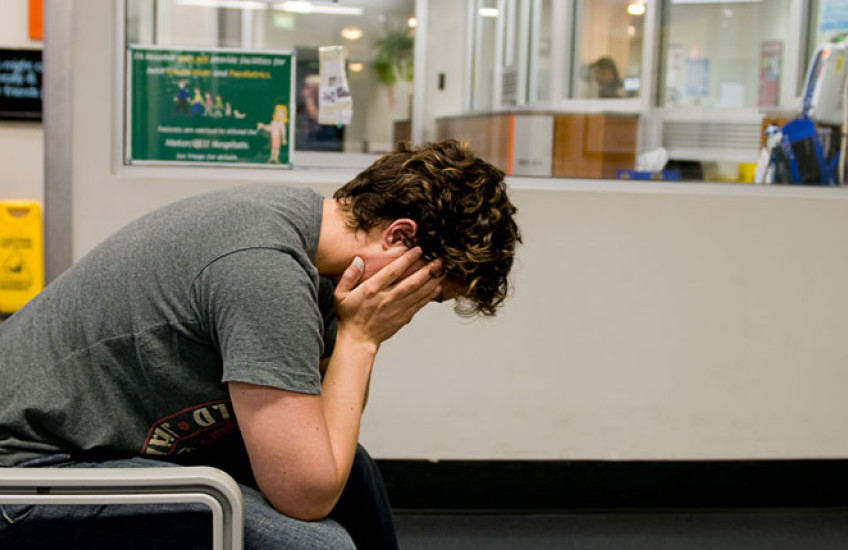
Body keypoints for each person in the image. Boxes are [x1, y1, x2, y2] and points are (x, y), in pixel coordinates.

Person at [0, 139, 521, 549]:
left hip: (95, 445)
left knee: (355, 477)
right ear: (398, 237)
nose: (410, 308)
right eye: (425, 291)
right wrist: (361, 340)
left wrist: (354, 333)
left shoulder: (315, 256)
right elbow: (305, 492)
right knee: (314, 545)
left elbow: (317, 433)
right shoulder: (264, 271)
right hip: (28, 472)